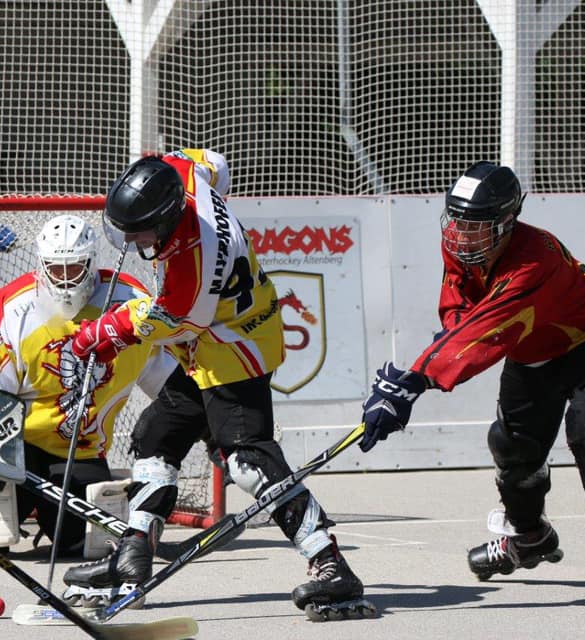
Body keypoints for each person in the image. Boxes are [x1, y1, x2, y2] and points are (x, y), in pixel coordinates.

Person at [62, 150, 374, 622]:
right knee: (156, 435)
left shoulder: (194, 273)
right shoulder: (180, 170)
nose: (131, 240)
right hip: (206, 342)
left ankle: (331, 564)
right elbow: (216, 163)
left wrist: (100, 336)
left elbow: (163, 321)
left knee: (248, 458)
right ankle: (135, 552)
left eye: (141, 233)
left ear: (169, 221)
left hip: (236, 348)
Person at [357, 160, 585, 609]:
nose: (461, 235)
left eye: (475, 226)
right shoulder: (459, 245)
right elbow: (460, 305)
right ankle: (528, 537)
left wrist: (413, 379)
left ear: (508, 223)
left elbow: (487, 330)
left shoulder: (536, 260)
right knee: (513, 446)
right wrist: (443, 342)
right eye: (456, 221)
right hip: (532, 344)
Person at [0, 214, 173, 557]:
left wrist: (212, 424)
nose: (65, 279)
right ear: (41, 264)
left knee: (78, 547)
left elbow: (170, 382)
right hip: (17, 449)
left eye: (74, 268)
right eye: (56, 268)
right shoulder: (16, 305)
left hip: (80, 451)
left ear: (92, 262)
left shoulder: (130, 304)